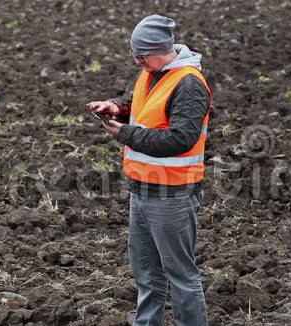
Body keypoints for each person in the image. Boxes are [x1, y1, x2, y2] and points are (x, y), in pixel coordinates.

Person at [87, 14, 212, 326]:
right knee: (147, 275)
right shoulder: (153, 73)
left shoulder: (189, 84)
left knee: (181, 276)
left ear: (158, 49)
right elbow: (143, 106)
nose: (137, 63)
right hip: (142, 190)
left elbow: (181, 138)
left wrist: (124, 133)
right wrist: (117, 107)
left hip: (171, 196)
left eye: (140, 57)